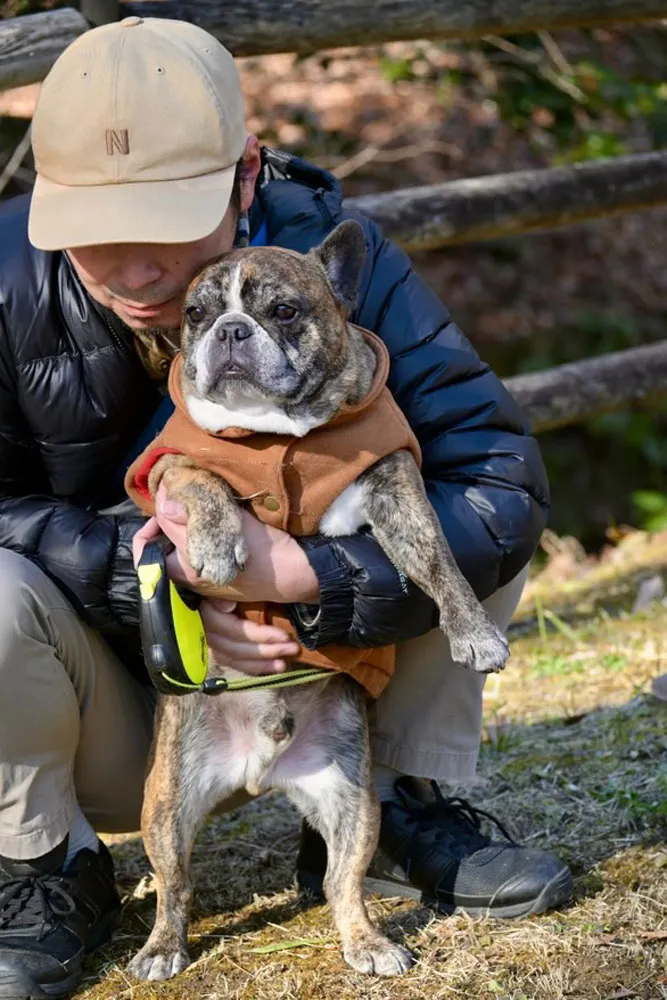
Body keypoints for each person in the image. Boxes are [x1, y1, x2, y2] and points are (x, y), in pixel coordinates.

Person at [0, 16, 573, 999]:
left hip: (338, 678)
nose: (135, 268)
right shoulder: (6, 280)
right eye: (97, 230)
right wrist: (163, 583)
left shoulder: (343, 267)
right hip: (114, 694)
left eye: (167, 220)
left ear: (246, 178)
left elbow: (499, 474)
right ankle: (44, 859)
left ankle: (394, 805)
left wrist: (310, 579)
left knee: (466, 517)